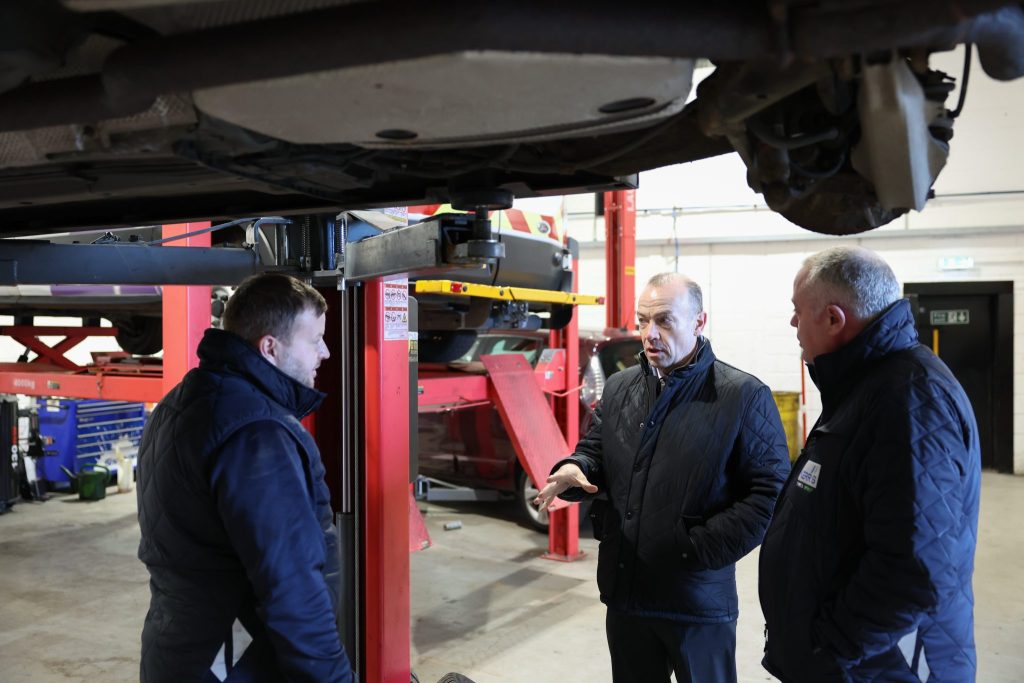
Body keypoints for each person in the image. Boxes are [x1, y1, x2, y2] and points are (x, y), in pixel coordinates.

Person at [535, 272, 791, 683]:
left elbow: (770, 494)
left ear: (699, 322)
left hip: (696, 601)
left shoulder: (742, 396)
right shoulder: (620, 388)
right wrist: (576, 466)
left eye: (665, 321)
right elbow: (597, 449)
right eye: (641, 321)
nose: (649, 334)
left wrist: (693, 550)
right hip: (627, 592)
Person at [759, 247, 981, 682]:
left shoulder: (910, 401)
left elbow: (913, 569)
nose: (792, 323)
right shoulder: (865, 386)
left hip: (876, 667)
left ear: (833, 319)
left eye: (797, 311)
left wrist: (827, 647)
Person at [136, 273, 355, 682]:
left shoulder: (182, 401)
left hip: (180, 648)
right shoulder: (257, 432)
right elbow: (291, 586)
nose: (325, 352)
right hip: (231, 662)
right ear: (270, 347)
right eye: (315, 340)